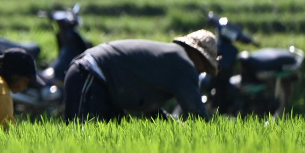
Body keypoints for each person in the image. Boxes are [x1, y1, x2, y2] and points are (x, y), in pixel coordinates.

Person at [61, 31, 217, 121]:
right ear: (197, 55)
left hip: (99, 83)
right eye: (205, 66)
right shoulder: (182, 62)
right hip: (89, 74)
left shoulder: (169, 60)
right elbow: (197, 114)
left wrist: (173, 127)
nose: (202, 72)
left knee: (108, 141)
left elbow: (153, 111)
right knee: (80, 138)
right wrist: (212, 138)